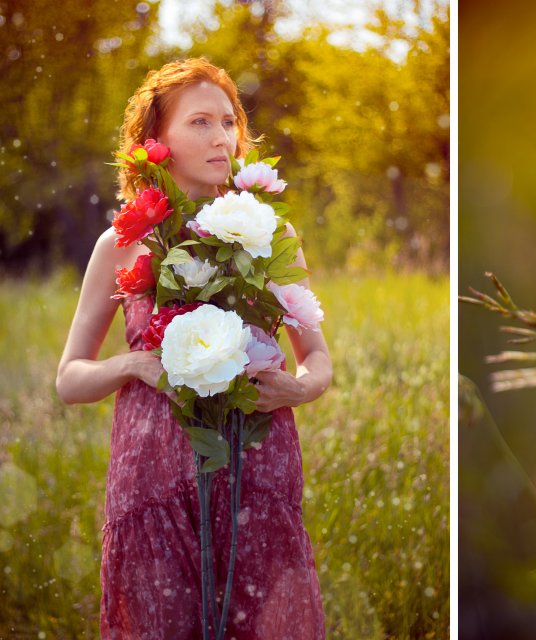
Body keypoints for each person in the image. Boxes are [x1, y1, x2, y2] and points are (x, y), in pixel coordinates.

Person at [55, 58, 330, 639]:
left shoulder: (270, 234)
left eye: (228, 122)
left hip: (257, 470)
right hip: (153, 481)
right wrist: (133, 365)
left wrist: (299, 388)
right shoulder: (122, 243)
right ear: (156, 143)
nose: (222, 137)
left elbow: (318, 359)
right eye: (201, 122)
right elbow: (69, 380)